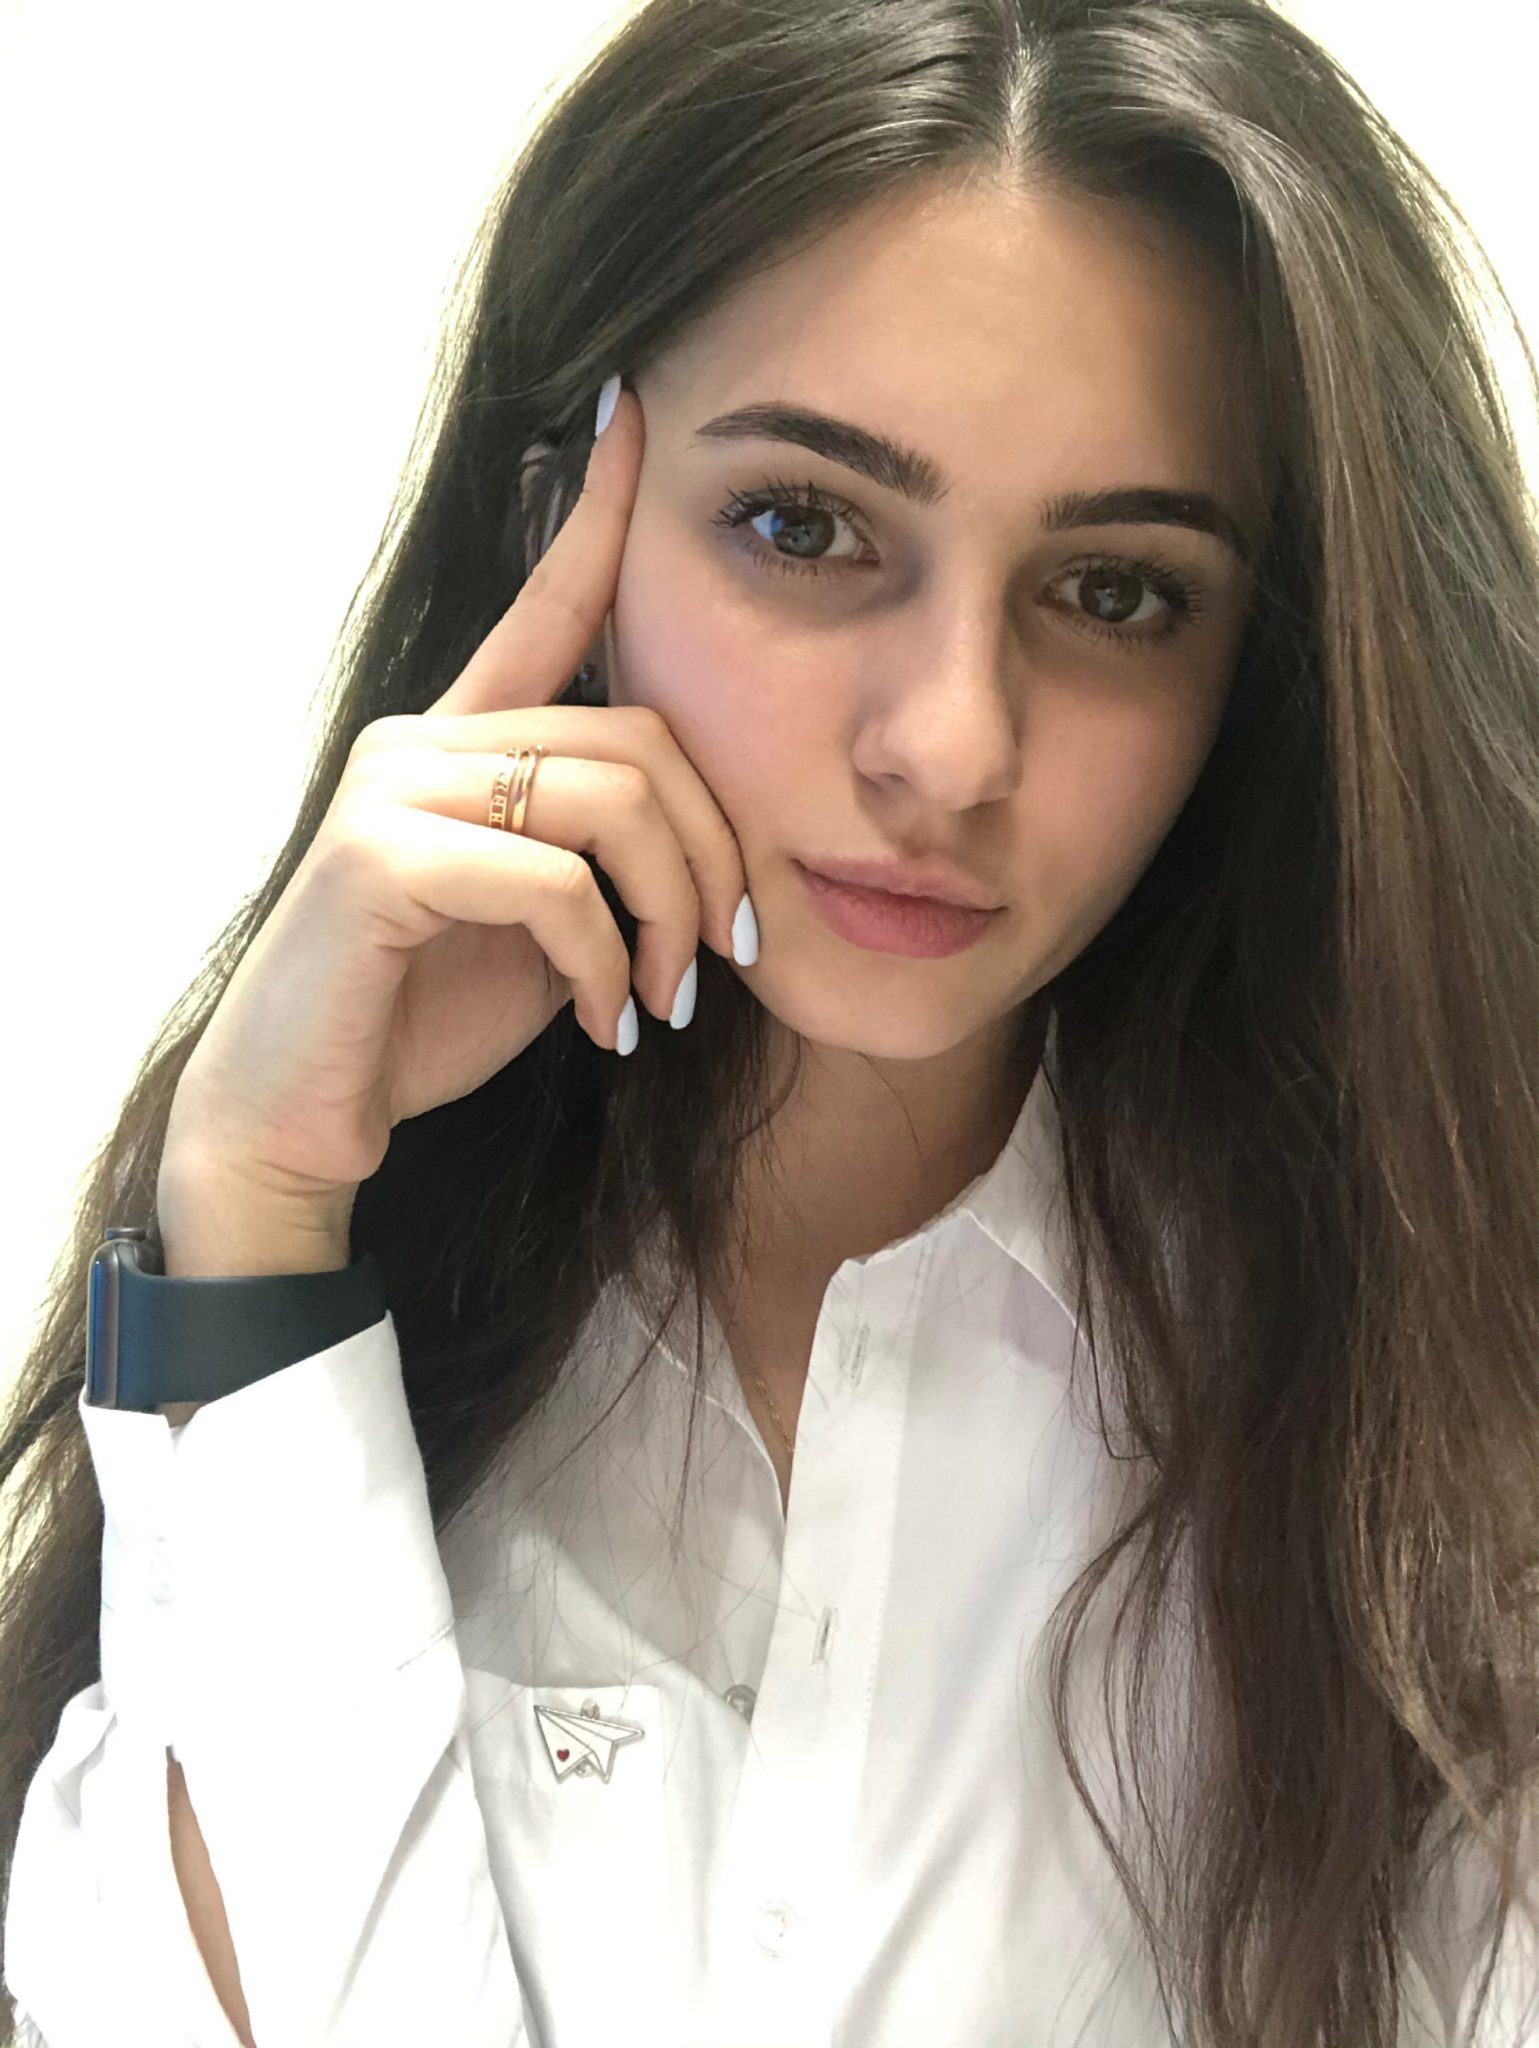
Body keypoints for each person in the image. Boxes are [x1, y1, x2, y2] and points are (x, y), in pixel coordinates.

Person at [2, 0, 1536, 2042]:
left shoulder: (1432, 1430)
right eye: (803, 525)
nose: (950, 744)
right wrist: (256, 1215)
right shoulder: (370, 1331)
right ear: (561, 523)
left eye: (1116, 591)